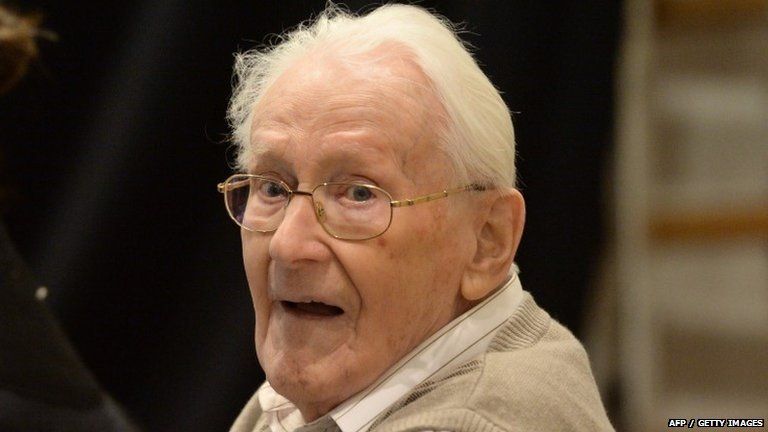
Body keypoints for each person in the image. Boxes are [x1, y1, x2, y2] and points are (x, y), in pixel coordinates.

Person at [221, 4, 613, 431]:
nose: (287, 245)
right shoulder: (321, 397)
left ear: (487, 241)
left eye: (358, 194)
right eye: (273, 188)